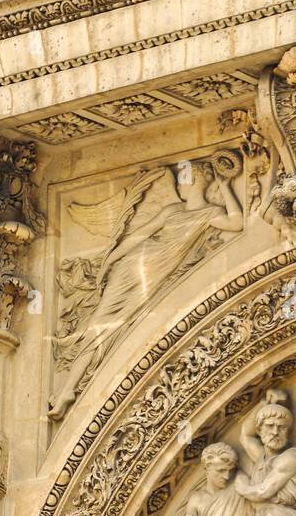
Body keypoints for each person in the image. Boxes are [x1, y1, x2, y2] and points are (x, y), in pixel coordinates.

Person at [48, 166, 245, 418]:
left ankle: (72, 387)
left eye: (183, 179)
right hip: (133, 268)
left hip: (153, 278)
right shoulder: (172, 210)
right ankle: (68, 387)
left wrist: (225, 185)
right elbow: (137, 237)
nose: (179, 184)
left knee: (111, 328)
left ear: (194, 179)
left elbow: (237, 222)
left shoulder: (210, 213)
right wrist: (109, 261)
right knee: (99, 324)